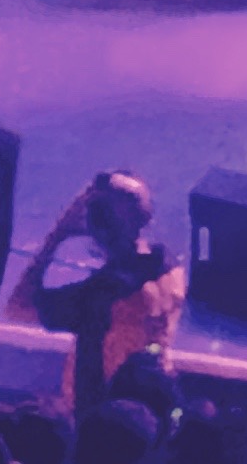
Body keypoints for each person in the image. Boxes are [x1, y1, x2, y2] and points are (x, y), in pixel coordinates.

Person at [11, 173, 183, 417]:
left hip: (102, 417)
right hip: (154, 407)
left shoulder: (104, 295)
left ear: (95, 224)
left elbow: (19, 306)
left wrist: (58, 234)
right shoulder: (169, 267)